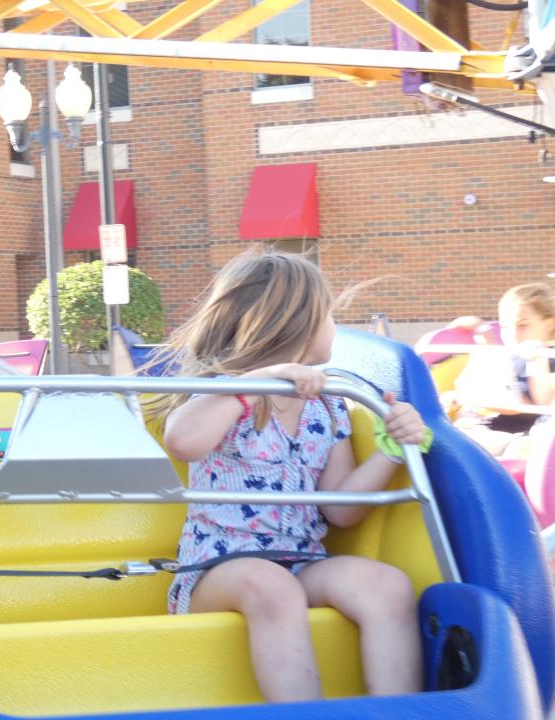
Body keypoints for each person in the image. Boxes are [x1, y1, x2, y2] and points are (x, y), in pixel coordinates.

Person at [155, 252, 426, 703]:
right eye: (328, 316)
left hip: (301, 561)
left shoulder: (329, 403)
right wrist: (260, 381)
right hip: (216, 569)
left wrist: (392, 449)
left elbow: (340, 511)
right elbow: (183, 440)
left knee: (387, 585)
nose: (335, 326)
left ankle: (396, 711)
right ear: (296, 324)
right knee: (271, 585)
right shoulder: (225, 389)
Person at [446, 283, 555, 457]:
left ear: (549, 324)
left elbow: (540, 405)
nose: (512, 333)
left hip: (525, 440)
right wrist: (480, 327)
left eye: (522, 325)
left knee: (525, 448)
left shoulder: (547, 359)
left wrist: (537, 359)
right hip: (489, 430)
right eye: (505, 326)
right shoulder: (507, 355)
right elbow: (490, 375)